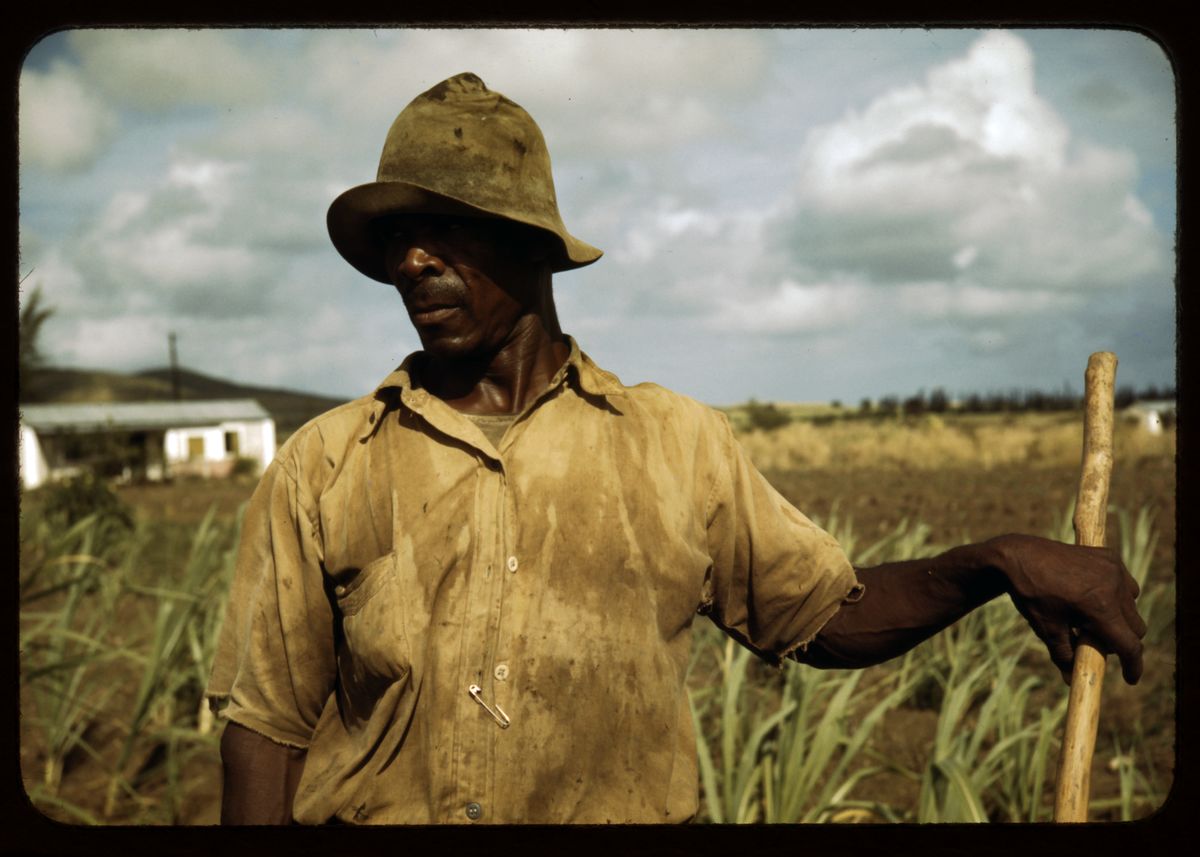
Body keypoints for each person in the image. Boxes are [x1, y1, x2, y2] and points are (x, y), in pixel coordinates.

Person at [207, 72, 1146, 825]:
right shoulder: (328, 462)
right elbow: (265, 730)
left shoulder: (674, 443)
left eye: (441, 227)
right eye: (397, 238)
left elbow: (822, 615)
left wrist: (997, 562)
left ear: (530, 240)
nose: (411, 261)